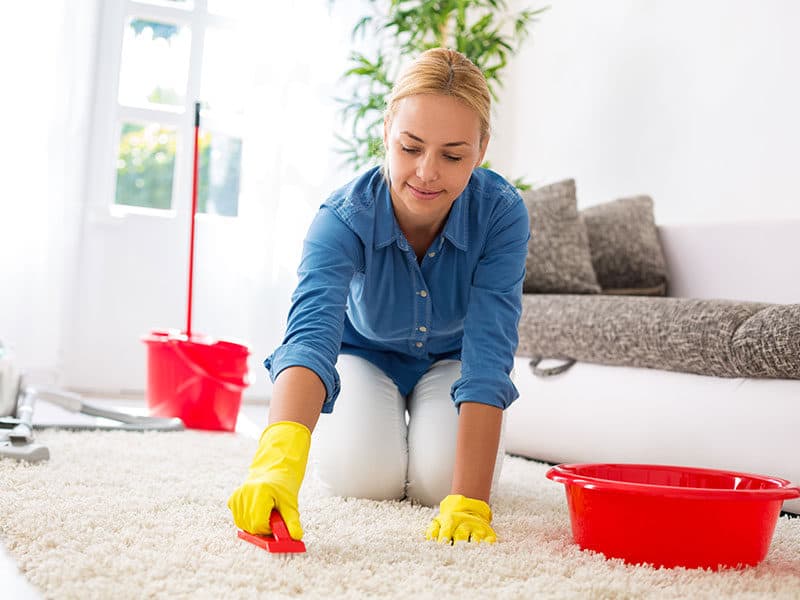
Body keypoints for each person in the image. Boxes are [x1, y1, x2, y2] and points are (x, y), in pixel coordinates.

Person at [227, 47, 530, 545]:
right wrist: (275, 461)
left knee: (440, 487)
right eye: (411, 147)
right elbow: (310, 336)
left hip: (452, 363)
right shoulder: (342, 216)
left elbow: (490, 351)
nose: (427, 172)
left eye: (453, 155)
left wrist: (470, 500)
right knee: (366, 481)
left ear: (481, 148)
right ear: (387, 131)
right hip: (363, 356)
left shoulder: (501, 214)